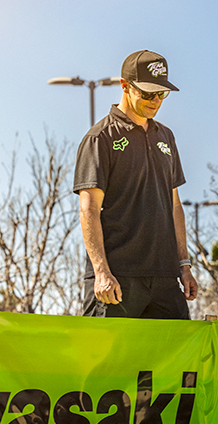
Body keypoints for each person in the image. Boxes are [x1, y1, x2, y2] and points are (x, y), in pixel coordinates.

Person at [73, 49, 199, 319]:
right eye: (147, 93)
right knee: (108, 361)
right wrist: (101, 272)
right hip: (118, 278)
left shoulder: (166, 136)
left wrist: (184, 265)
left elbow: (175, 206)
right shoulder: (100, 138)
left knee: (173, 360)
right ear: (124, 86)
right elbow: (89, 210)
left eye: (161, 94)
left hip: (165, 278)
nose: (155, 101)